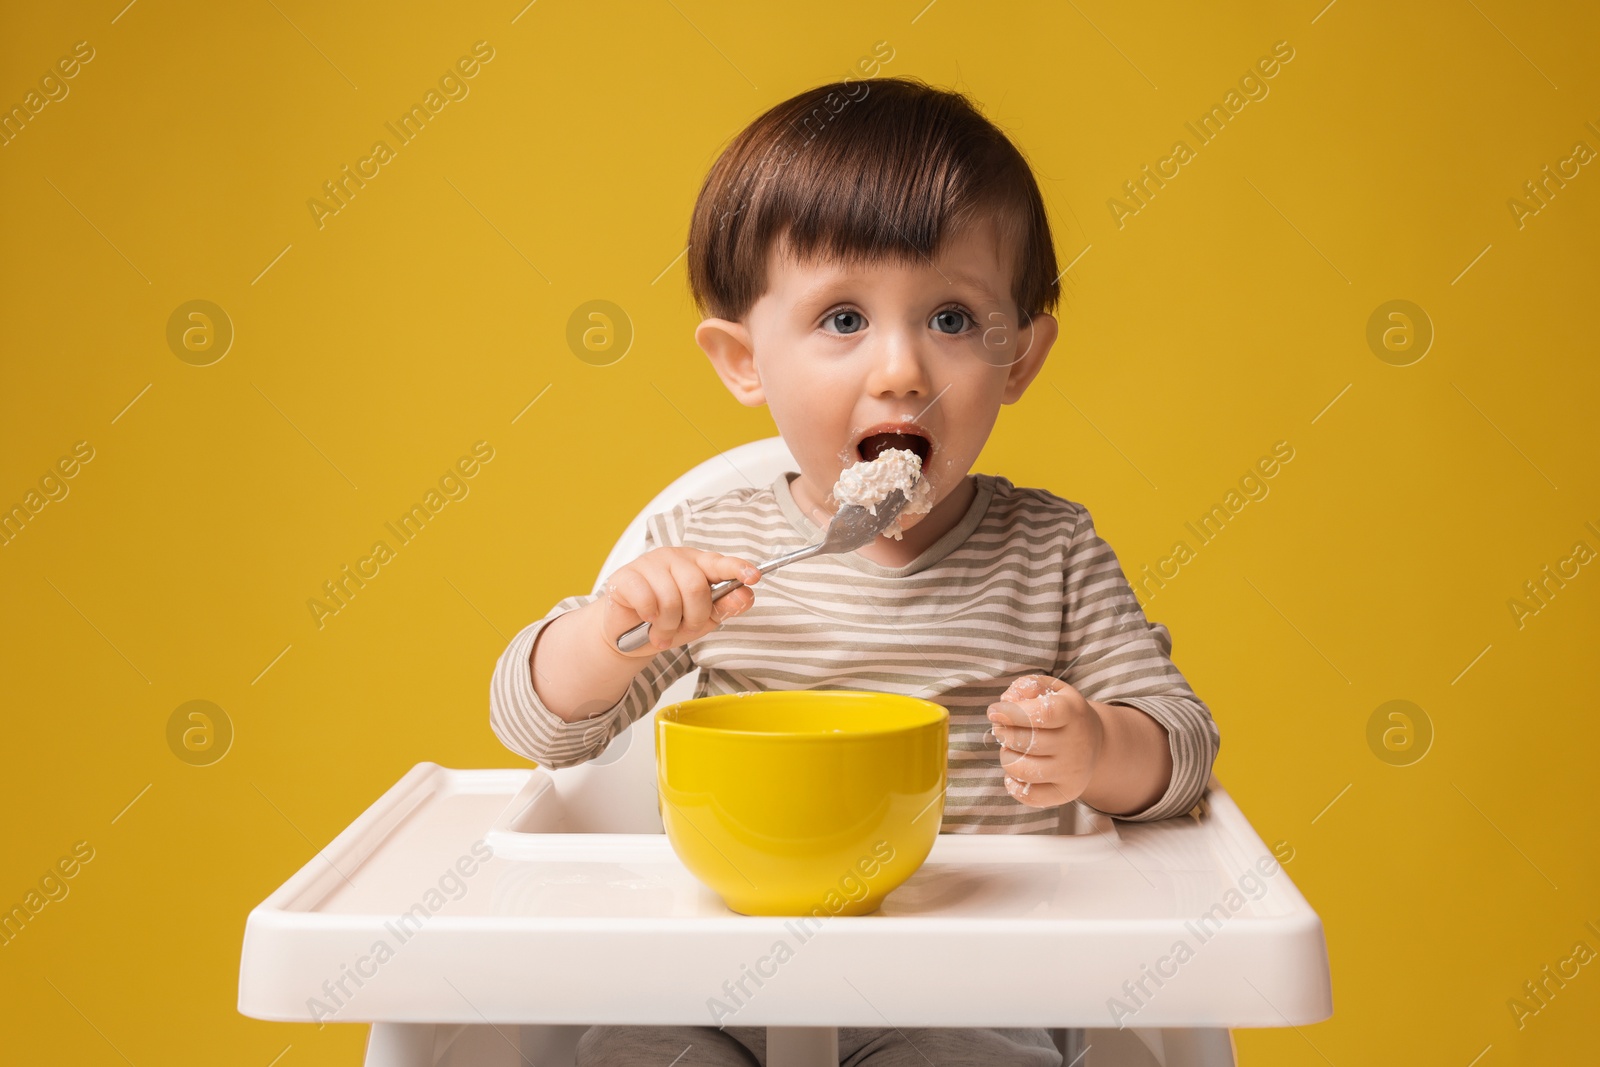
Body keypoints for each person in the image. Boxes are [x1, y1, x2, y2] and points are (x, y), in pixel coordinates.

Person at [489, 75, 1220, 1067]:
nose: (901, 369)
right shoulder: (709, 543)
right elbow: (540, 729)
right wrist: (613, 629)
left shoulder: (1052, 554)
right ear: (743, 360)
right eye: (841, 319)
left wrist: (1098, 751)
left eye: (953, 319)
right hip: (716, 977)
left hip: (970, 985)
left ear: (1020, 357)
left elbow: (1182, 746)